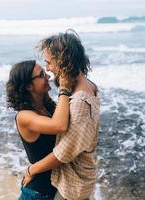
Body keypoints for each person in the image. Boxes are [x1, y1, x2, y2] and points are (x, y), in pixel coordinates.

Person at [23, 30, 100, 200]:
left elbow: (63, 154)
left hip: (73, 187)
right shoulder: (89, 85)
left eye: (49, 63)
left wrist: (31, 170)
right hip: (82, 177)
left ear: (63, 61)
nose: (48, 69)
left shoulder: (80, 100)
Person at [6, 60, 72, 200]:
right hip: (37, 194)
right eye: (42, 74)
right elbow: (60, 125)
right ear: (29, 86)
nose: (48, 77)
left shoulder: (46, 106)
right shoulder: (24, 116)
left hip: (54, 190)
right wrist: (64, 89)